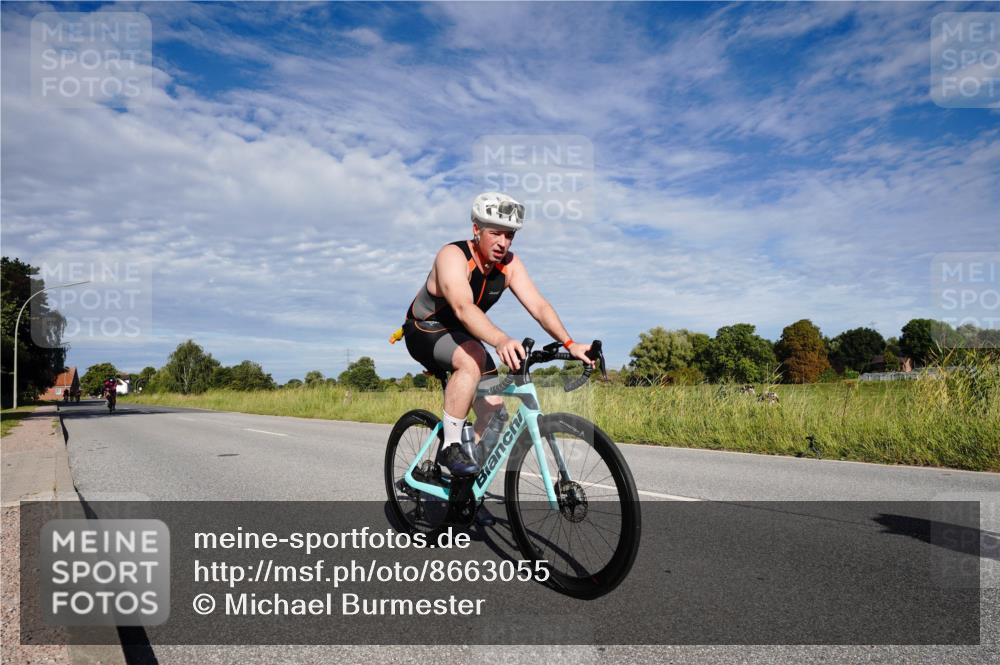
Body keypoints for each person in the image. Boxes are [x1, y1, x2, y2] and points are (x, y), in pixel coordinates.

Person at [399, 191, 594, 478]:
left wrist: (570, 342)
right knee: (473, 358)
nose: (503, 243)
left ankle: (462, 479)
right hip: (424, 329)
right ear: (476, 230)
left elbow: (539, 306)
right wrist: (501, 339)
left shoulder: (509, 265)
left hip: (461, 336)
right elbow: (464, 308)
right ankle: (451, 446)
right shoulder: (452, 256)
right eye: (496, 234)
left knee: (495, 414)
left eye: (510, 236)